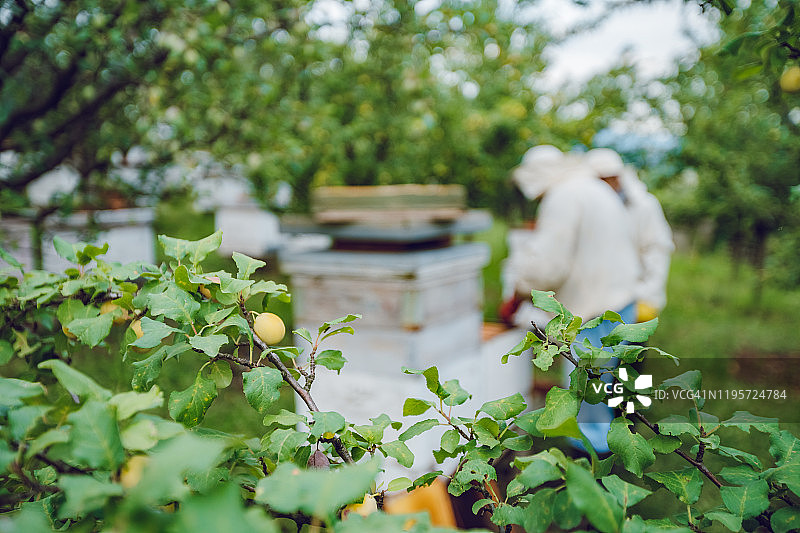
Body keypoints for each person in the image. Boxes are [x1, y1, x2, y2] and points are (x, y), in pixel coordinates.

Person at [501, 145, 641, 452]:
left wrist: (517, 294)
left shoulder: (563, 197)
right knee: (607, 388)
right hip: (620, 302)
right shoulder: (591, 187)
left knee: (587, 397)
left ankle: (592, 468)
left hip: (597, 311)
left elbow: (548, 267)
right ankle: (618, 450)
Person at [585, 148, 674, 323]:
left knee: (629, 347)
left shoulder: (643, 206)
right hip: (597, 301)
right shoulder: (591, 207)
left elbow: (657, 250)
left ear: (616, 177)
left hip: (635, 296)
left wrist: (647, 293)